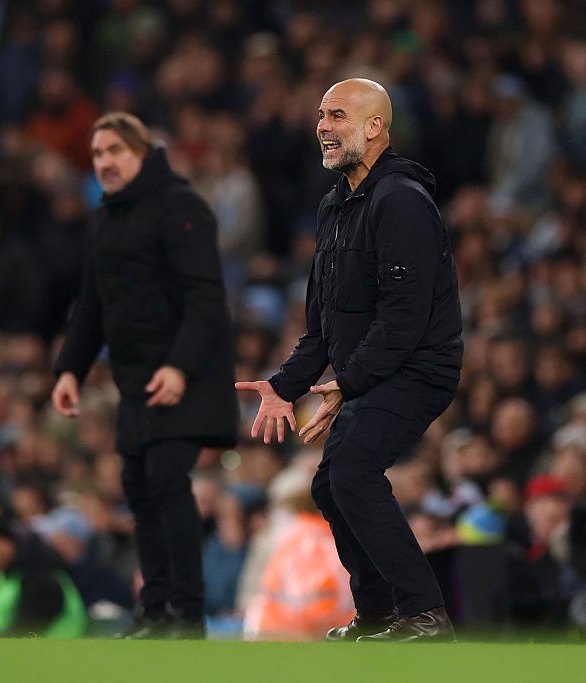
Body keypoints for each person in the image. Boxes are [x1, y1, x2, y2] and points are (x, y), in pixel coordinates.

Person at [235, 79, 463, 642]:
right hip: (372, 370)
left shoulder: (402, 200)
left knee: (354, 471)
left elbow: (405, 317)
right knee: (330, 485)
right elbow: (323, 328)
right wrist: (284, 385)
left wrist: (349, 381)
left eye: (337, 115)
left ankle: (426, 615)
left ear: (374, 127)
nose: (322, 127)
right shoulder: (334, 206)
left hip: (417, 368)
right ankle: (379, 615)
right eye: (320, 116)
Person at [52, 112, 238, 639]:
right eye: (97, 154)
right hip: (137, 380)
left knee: (165, 478)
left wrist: (179, 367)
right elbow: (91, 305)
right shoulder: (104, 219)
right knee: (138, 486)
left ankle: (187, 615)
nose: (104, 162)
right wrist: (69, 369)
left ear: (142, 152)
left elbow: (206, 298)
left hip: (189, 374)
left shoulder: (181, 207)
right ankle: (155, 613)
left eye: (115, 150)